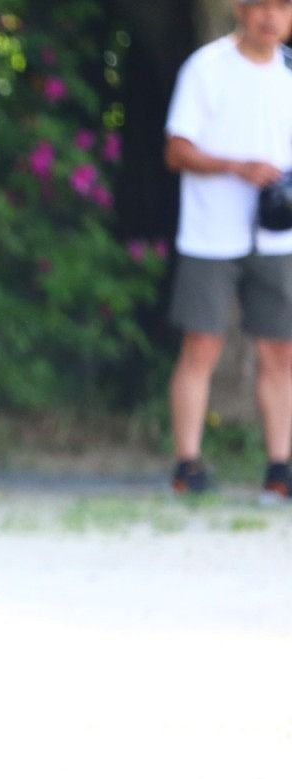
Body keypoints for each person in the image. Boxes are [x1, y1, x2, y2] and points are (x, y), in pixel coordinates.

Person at [164, 0, 292, 501]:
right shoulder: (207, 68)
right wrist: (237, 167)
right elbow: (176, 150)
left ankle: (279, 467)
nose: (270, 16)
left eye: (282, 6)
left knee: (280, 351)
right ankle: (186, 463)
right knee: (201, 346)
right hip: (211, 234)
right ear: (240, 9)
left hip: (278, 237)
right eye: (260, 4)